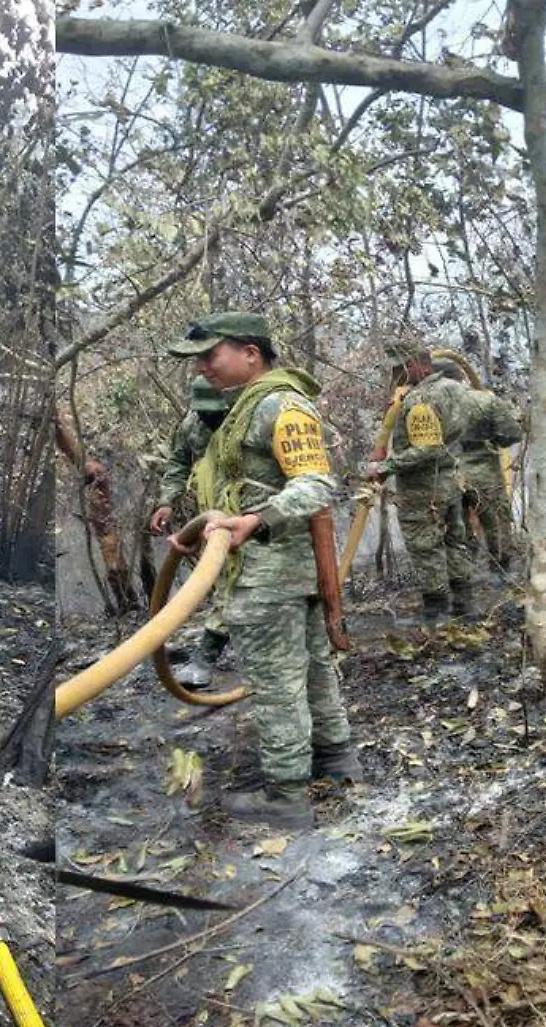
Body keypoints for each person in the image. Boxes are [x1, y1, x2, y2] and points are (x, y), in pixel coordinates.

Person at [166, 312, 357, 828]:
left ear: (251, 353)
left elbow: (316, 484)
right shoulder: (241, 408)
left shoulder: (281, 405)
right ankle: (337, 762)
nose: (203, 367)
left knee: (279, 687)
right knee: (313, 671)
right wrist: (204, 534)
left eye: (212, 355)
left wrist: (255, 520)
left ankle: (287, 797)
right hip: (271, 568)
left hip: (272, 575)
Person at [366, 343, 483, 620]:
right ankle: (464, 607)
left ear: (421, 365)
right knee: (455, 542)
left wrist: (386, 467)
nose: (396, 375)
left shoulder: (420, 400)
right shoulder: (455, 389)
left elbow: (426, 448)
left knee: (425, 547)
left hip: (423, 488)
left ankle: (436, 611)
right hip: (451, 481)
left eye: (401, 368)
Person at [147, 375, 232, 688]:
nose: (209, 415)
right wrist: (167, 501)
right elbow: (179, 461)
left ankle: (206, 658)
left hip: (251, 515)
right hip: (213, 514)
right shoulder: (192, 424)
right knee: (224, 581)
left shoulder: (246, 419)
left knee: (231, 585)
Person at [435, 355, 522, 573]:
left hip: (446, 473)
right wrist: (491, 439)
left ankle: (463, 577)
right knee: (496, 523)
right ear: (461, 377)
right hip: (484, 472)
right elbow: (511, 434)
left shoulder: (427, 407)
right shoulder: (485, 400)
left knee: (455, 528)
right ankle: (501, 574)